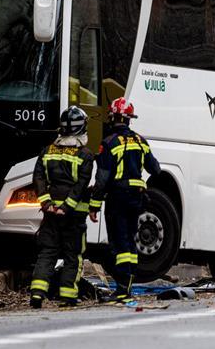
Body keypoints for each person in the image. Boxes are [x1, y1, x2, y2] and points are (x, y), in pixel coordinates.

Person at [91, 97, 160, 303]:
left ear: (113, 118)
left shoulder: (109, 143)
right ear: (129, 119)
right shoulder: (141, 141)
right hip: (136, 199)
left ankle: (122, 289)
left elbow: (102, 179)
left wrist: (94, 205)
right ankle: (127, 284)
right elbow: (155, 169)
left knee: (119, 242)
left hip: (118, 198)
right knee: (130, 240)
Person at [29, 106, 96, 309]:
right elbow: (81, 185)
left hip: (50, 214)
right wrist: (66, 207)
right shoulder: (85, 155)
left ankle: (37, 294)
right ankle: (68, 296)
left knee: (47, 253)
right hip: (73, 216)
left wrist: (46, 203)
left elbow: (38, 178)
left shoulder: (47, 150)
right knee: (72, 255)